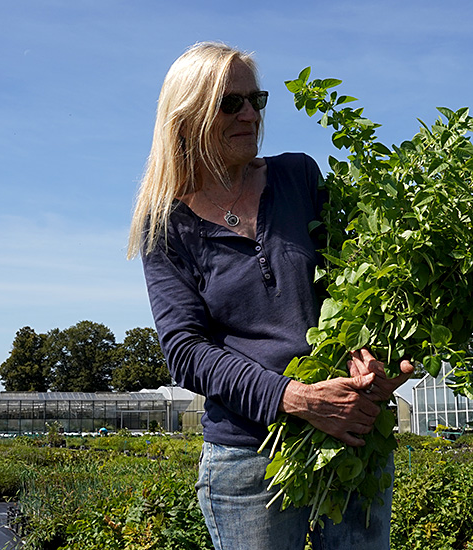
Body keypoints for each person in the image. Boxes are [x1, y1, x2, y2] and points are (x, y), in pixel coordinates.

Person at [127, 42, 414, 550]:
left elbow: (352, 288)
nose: (250, 114)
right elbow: (187, 352)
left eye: (256, 100)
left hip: (350, 435)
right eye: (229, 103)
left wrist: (368, 362)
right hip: (251, 454)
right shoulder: (165, 226)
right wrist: (296, 398)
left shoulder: (298, 177)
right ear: (187, 115)